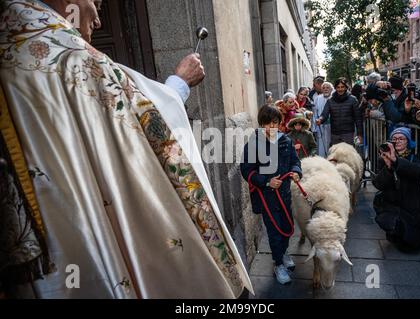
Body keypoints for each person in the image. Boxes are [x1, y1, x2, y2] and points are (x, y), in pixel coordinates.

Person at [0, 0, 253, 298]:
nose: (97, 19)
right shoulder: (63, 54)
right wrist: (180, 84)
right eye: (96, 3)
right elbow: (139, 121)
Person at [240, 105, 302, 285]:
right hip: (267, 197)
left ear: (280, 123)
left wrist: (296, 172)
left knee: (288, 227)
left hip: (285, 195)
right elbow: (247, 171)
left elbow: (294, 162)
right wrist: (267, 182)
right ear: (261, 124)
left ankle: (283, 253)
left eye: (274, 123)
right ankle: (278, 264)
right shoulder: (252, 144)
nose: (270, 127)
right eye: (266, 123)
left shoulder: (286, 142)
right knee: (274, 231)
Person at [372, 127, 420, 251]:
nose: (397, 141)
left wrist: (396, 161)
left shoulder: (415, 157)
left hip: (412, 205)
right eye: (394, 139)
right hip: (392, 205)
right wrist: (388, 167)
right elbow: (378, 184)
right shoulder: (383, 159)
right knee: (395, 231)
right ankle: (396, 231)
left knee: (414, 244)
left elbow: (419, 172)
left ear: (408, 141)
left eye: (401, 138)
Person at [316, 78, 363, 146]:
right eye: (338, 87)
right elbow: (324, 114)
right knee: (336, 155)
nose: (340, 89)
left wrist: (360, 134)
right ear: (335, 88)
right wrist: (320, 119)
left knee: (348, 155)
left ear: (346, 87)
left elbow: (358, 118)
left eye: (342, 87)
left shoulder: (353, 99)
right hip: (335, 134)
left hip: (348, 133)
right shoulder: (330, 100)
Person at [312, 82, 333, 157]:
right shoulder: (317, 99)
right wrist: (314, 128)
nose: (326, 89)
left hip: (332, 125)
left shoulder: (333, 98)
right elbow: (314, 113)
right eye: (323, 88)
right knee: (321, 145)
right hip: (320, 125)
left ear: (331, 89)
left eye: (327, 88)